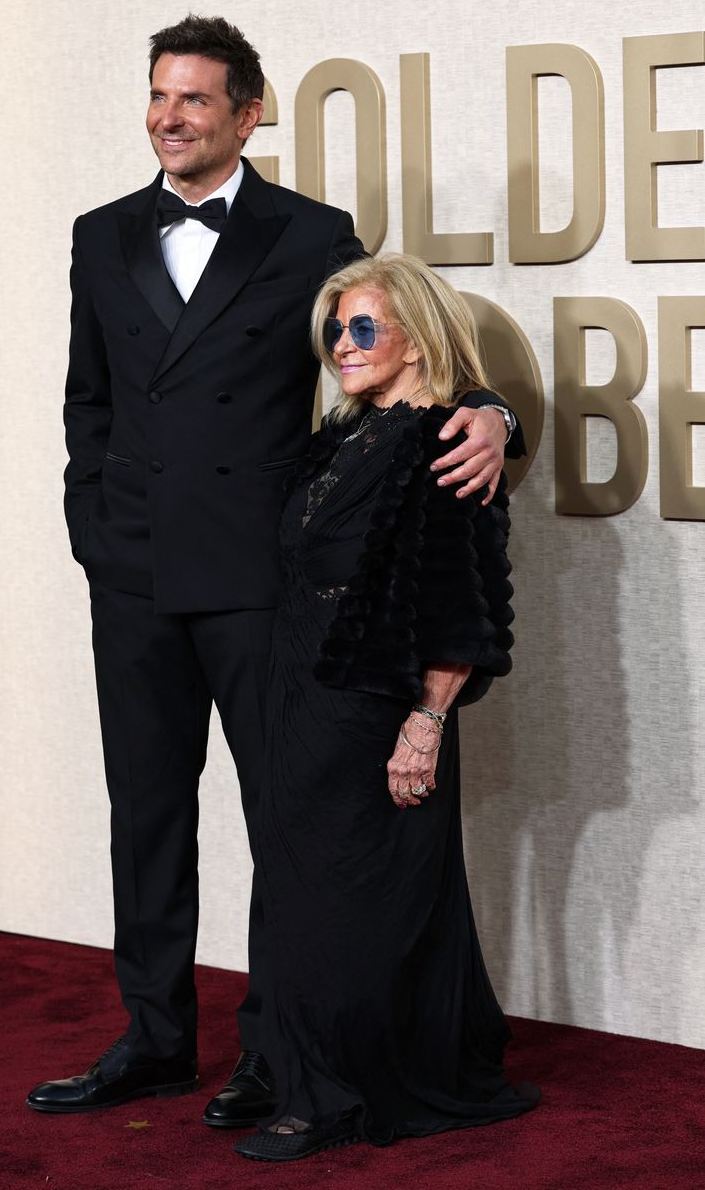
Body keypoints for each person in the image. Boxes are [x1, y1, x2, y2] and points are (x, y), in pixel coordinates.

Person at [26, 16, 523, 1128]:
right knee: (146, 815)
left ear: (249, 113)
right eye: (160, 95)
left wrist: (494, 416)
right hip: (137, 578)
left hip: (265, 588)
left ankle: (272, 1049)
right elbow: (89, 399)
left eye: (196, 99)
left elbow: (410, 348)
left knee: (288, 827)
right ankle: (155, 1039)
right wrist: (91, 526)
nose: (170, 117)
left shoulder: (313, 235)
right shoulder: (100, 234)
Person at [232, 252, 539, 1162]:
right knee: (300, 896)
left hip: (374, 708)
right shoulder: (343, 434)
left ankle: (338, 1095)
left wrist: (428, 720)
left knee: (357, 904)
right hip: (300, 695)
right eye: (337, 328)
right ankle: (300, 1073)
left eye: (364, 326)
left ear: (417, 337)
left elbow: (461, 601)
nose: (344, 343)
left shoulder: (448, 440)